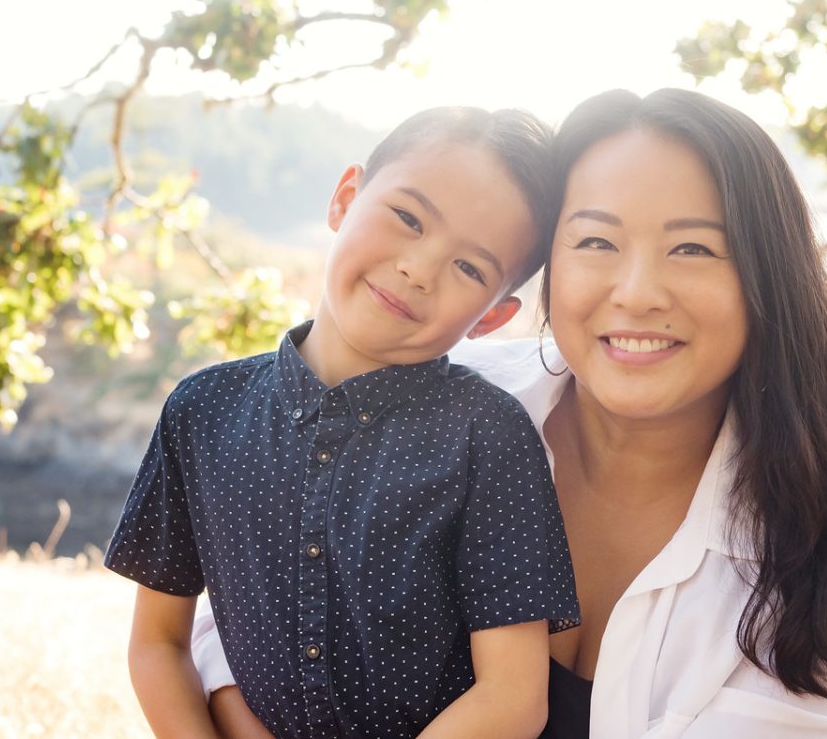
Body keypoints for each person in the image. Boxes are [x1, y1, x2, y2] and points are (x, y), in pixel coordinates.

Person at [201, 87, 827, 738]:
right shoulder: (436, 397)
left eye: (691, 247)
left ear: (766, 280)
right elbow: (238, 605)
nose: (638, 291)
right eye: (595, 241)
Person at [104, 106, 580, 739]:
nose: (418, 268)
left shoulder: (488, 434)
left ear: (492, 317)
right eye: (408, 218)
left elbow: (513, 698)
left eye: (470, 268)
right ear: (344, 199)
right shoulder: (202, 410)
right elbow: (159, 644)